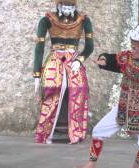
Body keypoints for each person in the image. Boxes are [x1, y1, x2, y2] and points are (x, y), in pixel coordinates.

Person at [74, 20, 139, 168]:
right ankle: (91, 165)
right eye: (131, 47)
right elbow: (111, 59)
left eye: (135, 48)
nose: (132, 50)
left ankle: (136, 166)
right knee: (99, 131)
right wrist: (103, 60)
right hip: (124, 105)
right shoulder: (126, 58)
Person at [33, 0, 94, 144]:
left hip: (73, 59)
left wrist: (79, 60)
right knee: (51, 87)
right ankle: (46, 131)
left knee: (79, 88)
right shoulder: (46, 20)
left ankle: (75, 131)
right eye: (64, 6)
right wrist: (36, 74)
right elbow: (39, 48)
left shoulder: (84, 20)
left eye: (70, 6)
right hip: (55, 58)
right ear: (59, 6)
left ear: (75, 7)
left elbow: (90, 46)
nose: (67, 9)